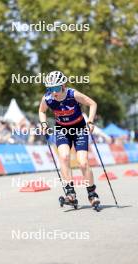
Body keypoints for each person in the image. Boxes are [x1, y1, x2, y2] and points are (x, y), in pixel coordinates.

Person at [39, 71, 100, 207]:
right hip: (62, 130)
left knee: (83, 162)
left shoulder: (73, 94)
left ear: (63, 85)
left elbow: (92, 104)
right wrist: (43, 124)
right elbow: (42, 111)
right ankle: (70, 193)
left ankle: (92, 193)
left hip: (79, 129)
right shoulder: (48, 98)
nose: (53, 92)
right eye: (50, 88)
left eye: (56, 88)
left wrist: (90, 121)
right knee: (64, 157)